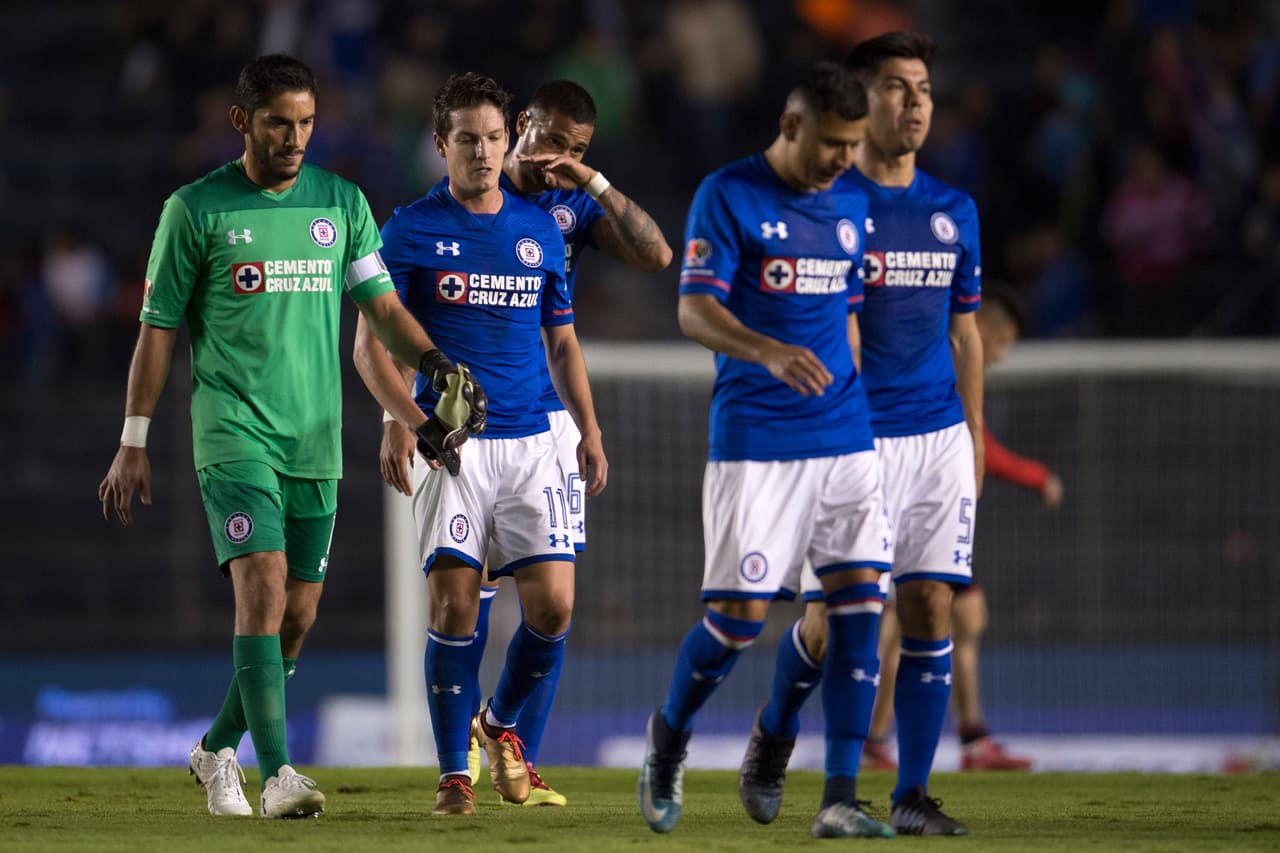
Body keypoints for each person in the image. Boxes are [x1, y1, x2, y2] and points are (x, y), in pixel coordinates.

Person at [97, 54, 465, 819]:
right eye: (278, 123)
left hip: (315, 439)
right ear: (242, 122)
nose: (295, 137)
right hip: (233, 431)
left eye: (305, 122)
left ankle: (213, 750)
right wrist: (133, 437)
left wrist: (431, 364)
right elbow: (157, 331)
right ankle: (278, 772)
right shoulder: (194, 210)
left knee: (296, 615)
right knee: (261, 584)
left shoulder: (341, 201)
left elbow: (382, 308)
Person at [375, 79, 671, 807]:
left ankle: (505, 735)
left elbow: (642, 268)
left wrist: (590, 429)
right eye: (472, 139)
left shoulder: (553, 221)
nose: (550, 157)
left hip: (540, 429)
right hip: (455, 435)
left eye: (576, 150)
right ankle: (454, 768)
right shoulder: (416, 224)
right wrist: (399, 418)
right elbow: (376, 332)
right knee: (457, 605)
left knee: (553, 608)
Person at [637, 62, 897, 840]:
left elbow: (846, 313)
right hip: (757, 440)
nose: (844, 160)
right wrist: (768, 350)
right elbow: (693, 310)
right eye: (831, 143)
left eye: (854, 145)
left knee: (856, 616)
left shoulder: (852, 200)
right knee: (736, 622)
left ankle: (835, 790)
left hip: (846, 439)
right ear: (790, 127)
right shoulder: (729, 192)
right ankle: (670, 738)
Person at [740, 32, 985, 837]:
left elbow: (967, 333)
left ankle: (908, 792)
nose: (913, 102)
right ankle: (780, 733)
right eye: (894, 87)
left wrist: (974, 435)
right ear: (857, 99)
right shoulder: (826, 204)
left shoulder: (954, 211)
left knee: (928, 603)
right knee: (834, 620)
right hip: (852, 437)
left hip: (939, 435)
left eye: (923, 88)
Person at [863, 283, 1062, 772]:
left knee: (963, 618)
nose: (1003, 354)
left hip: (938, 515)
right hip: (904, 510)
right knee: (895, 626)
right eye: (1004, 341)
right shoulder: (942, 364)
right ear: (985, 330)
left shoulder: (949, 362)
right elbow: (981, 447)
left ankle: (970, 739)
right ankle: (874, 741)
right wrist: (1037, 477)